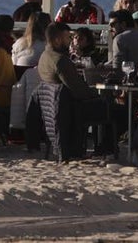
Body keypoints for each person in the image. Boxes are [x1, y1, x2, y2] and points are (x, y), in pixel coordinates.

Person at [38, 22, 123, 155]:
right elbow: (78, 91)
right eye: (68, 38)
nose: (71, 41)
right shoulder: (61, 60)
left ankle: (102, 147)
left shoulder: (44, 56)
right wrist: (97, 93)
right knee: (113, 108)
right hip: (72, 108)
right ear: (58, 40)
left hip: (55, 107)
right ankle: (105, 148)